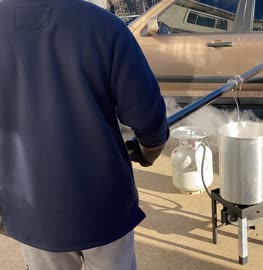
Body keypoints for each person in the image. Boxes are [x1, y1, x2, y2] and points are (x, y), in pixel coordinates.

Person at [0, 0, 169, 269]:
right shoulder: (105, 26)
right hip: (102, 203)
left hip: (29, 205)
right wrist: (150, 148)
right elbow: (146, 113)